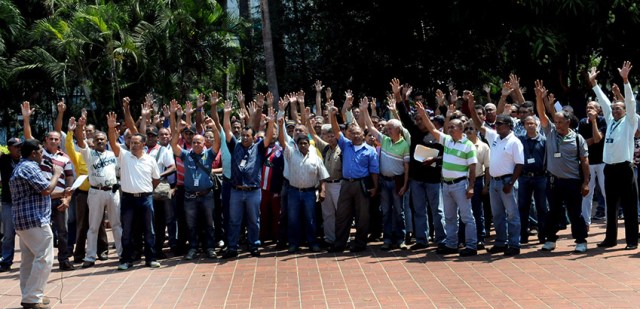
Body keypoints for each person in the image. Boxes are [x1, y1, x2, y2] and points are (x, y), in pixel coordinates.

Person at [415, 98, 478, 257]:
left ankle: (471, 246)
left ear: (461, 129)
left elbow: (472, 168)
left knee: (467, 217)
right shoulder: (448, 141)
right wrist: (423, 115)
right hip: (447, 185)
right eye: (448, 126)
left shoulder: (468, 145)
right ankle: (451, 244)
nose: (449, 129)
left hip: (460, 185)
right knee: (450, 217)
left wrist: (471, 186)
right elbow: (432, 129)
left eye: (452, 127)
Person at [535, 80, 590, 253]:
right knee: (553, 212)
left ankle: (581, 241)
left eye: (560, 122)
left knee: (575, 213)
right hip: (553, 181)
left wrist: (586, 182)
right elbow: (542, 114)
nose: (557, 125)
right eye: (556, 122)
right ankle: (550, 239)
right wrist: (539, 98)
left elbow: (585, 161)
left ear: (568, 122)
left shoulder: (577, 138)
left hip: (573, 181)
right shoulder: (550, 132)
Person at [10, 139, 66, 309]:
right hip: (34, 220)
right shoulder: (29, 167)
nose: (42, 155)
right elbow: (46, 189)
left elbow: (40, 193)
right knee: (44, 258)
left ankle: (30, 295)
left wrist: (63, 192)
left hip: (25, 221)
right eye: (41, 152)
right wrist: (57, 173)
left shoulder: (22, 167)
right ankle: (33, 297)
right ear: (34, 153)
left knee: (29, 259)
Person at [589, 62, 639, 250]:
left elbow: (631, 103)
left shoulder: (630, 121)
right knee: (611, 206)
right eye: (614, 108)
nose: (616, 110)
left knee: (629, 207)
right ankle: (610, 239)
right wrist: (594, 84)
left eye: (619, 108)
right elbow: (602, 101)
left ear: (625, 111)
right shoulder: (610, 120)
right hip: (609, 168)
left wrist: (625, 81)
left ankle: (632, 241)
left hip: (624, 168)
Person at [22, 102, 76, 271]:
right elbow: (28, 137)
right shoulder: (39, 153)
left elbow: (70, 179)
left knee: (63, 232)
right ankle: (43, 262)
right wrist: (26, 118)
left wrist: (67, 199)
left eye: (56, 139)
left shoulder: (65, 157)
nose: (53, 141)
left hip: (60, 199)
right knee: (43, 232)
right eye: (50, 138)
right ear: (45, 141)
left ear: (60, 141)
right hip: (42, 199)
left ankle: (64, 260)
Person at [107, 109, 161, 270]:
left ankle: (150, 259)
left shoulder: (150, 160)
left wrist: (147, 189)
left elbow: (156, 179)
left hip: (146, 198)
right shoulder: (124, 156)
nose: (133, 144)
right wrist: (111, 128)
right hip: (128, 199)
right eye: (131, 142)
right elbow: (113, 143)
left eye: (136, 142)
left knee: (149, 231)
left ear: (143, 145)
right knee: (127, 231)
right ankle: (126, 260)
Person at [470, 97, 524, 256]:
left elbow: (519, 164)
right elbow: (479, 125)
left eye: (500, 124)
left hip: (507, 181)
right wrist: (471, 107)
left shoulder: (515, 142)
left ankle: (514, 244)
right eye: (497, 124)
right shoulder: (494, 137)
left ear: (508, 125)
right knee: (498, 215)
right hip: (494, 182)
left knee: (512, 214)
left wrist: (511, 182)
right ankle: (501, 242)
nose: (497, 126)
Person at [222, 100, 275, 258]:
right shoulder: (235, 146)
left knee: (253, 221)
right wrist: (226, 114)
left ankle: (253, 246)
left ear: (253, 138)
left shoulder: (259, 148)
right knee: (234, 221)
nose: (244, 138)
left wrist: (271, 122)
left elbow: (269, 136)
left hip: (253, 192)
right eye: (243, 135)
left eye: (248, 136)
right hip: (236, 191)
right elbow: (227, 129)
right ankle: (232, 247)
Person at [170, 98, 220, 260]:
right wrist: (177, 131)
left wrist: (214, 127)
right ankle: (192, 248)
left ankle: (210, 248)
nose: (197, 144)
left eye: (199, 142)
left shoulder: (209, 154)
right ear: (191, 143)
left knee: (209, 224)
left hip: (207, 195)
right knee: (191, 225)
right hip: (190, 196)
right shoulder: (186, 155)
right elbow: (173, 146)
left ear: (205, 142)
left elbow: (218, 142)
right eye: (194, 142)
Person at [328, 101, 379, 253]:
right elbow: (337, 130)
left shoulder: (370, 150)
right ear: (349, 134)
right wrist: (332, 115)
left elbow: (374, 171)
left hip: (361, 184)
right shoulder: (345, 144)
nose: (355, 135)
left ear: (363, 134)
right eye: (352, 133)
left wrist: (375, 187)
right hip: (346, 184)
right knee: (342, 215)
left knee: (362, 216)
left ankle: (359, 244)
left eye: (358, 133)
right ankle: (339, 244)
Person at [360, 97, 410, 250]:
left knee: (399, 212)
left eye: (389, 128)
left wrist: (405, 185)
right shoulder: (385, 140)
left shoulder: (405, 144)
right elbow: (369, 126)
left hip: (397, 182)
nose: (386, 130)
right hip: (384, 182)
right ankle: (387, 239)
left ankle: (400, 239)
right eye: (386, 128)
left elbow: (407, 168)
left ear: (397, 130)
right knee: (387, 212)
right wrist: (364, 110)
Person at [75, 116, 122, 268]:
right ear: (93, 142)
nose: (100, 141)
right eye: (97, 140)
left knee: (116, 225)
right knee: (93, 226)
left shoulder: (112, 154)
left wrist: (110, 128)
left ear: (106, 141)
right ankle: (90, 257)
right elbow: (81, 141)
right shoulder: (88, 154)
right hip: (95, 192)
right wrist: (80, 126)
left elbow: (119, 172)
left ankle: (122, 254)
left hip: (112, 191)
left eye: (103, 139)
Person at [278, 117, 329, 253]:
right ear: (297, 144)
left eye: (305, 143)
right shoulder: (290, 154)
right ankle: (294, 244)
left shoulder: (315, 157)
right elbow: (282, 142)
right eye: (300, 143)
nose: (303, 145)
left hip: (309, 193)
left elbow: (322, 176)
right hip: (293, 192)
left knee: (310, 219)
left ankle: (312, 243)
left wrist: (323, 190)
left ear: (309, 144)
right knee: (293, 219)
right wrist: (281, 125)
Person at [516, 116, 548, 244]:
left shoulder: (544, 141)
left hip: (540, 176)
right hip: (524, 177)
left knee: (542, 207)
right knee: (523, 207)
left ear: (537, 125)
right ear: (524, 126)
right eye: (527, 123)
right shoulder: (520, 140)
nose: (530, 125)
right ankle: (523, 235)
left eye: (532, 123)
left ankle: (543, 234)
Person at [577, 100, 607, 227]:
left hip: (602, 162)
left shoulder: (603, 120)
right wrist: (593, 140)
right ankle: (585, 222)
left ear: (598, 110)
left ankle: (610, 221)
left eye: (592, 108)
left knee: (606, 192)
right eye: (587, 107)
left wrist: (594, 121)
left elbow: (597, 138)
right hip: (588, 162)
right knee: (587, 193)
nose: (588, 110)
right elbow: (582, 143)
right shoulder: (583, 122)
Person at [0, 138, 23, 272]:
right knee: (8, 234)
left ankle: (28, 260)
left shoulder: (25, 159)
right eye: (15, 146)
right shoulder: (4, 159)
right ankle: (6, 260)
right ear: (9, 148)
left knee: (26, 233)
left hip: (23, 202)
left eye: (20, 146)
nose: (19, 148)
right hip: (8, 202)